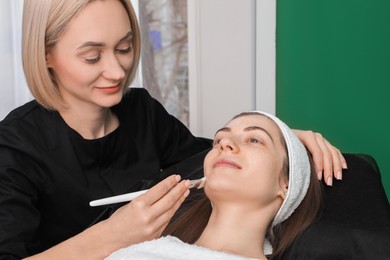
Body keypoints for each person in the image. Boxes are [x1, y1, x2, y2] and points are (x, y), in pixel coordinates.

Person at [0, 0, 345, 259]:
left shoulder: (142, 113)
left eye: (125, 48)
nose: (118, 72)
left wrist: (287, 142)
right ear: (45, 55)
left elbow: (214, 155)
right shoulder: (14, 147)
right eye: (92, 57)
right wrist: (111, 236)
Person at [107, 111, 322, 260]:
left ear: (286, 184)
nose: (225, 144)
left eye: (254, 140)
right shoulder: (138, 253)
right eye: (218, 140)